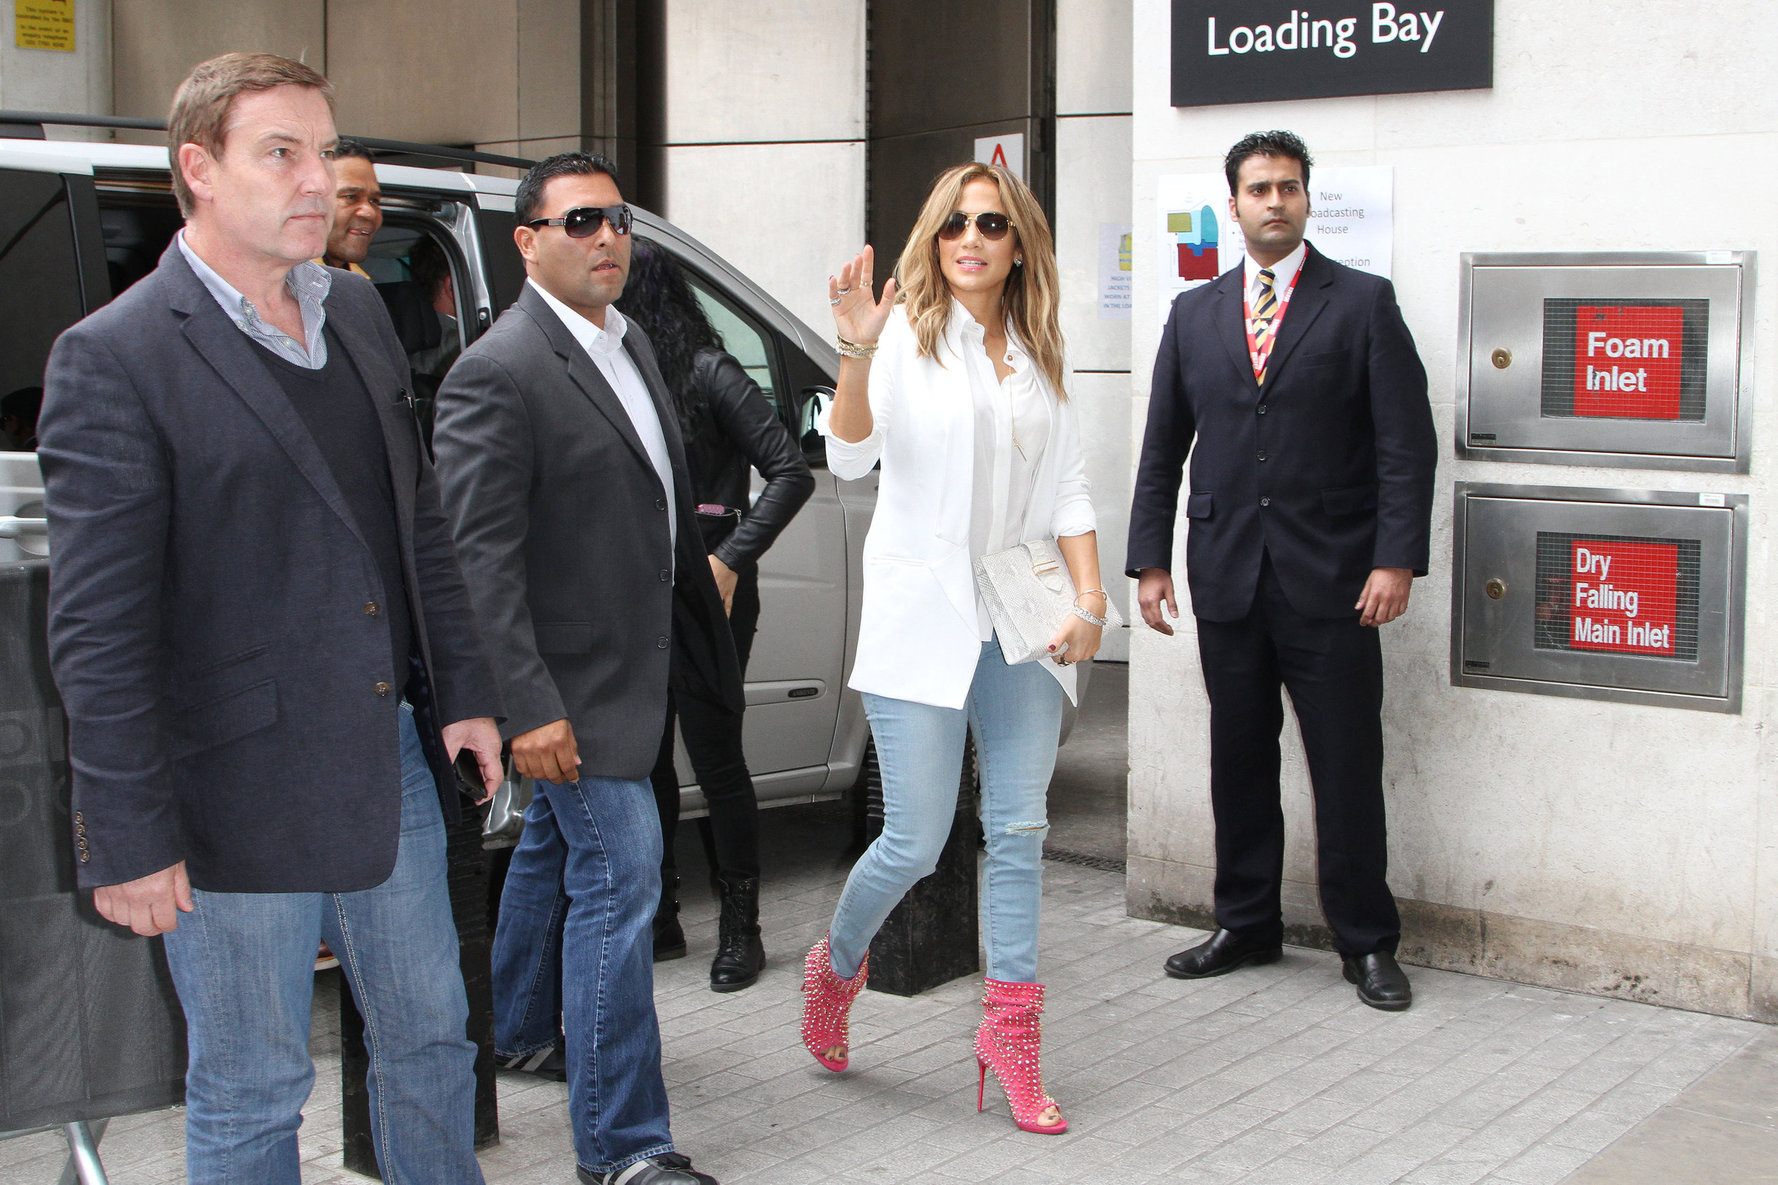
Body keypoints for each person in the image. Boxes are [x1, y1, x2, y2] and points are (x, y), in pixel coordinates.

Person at [36, 52, 504, 1184]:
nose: (318, 181)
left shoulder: (354, 311)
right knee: (253, 1090)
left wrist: (469, 696)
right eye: (279, 154)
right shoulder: (115, 359)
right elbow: (98, 635)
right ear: (198, 170)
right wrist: (131, 839)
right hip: (230, 793)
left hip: (388, 760)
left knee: (434, 1039)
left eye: (325, 150)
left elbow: (413, 525)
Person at [432, 152, 738, 1185]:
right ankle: (622, 1150)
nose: (606, 237)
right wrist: (526, 710)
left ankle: (520, 1025)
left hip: (638, 667)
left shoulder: (631, 339)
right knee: (623, 879)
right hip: (569, 694)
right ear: (525, 241)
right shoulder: (498, 369)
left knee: (566, 861)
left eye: (616, 219)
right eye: (578, 222)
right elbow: (479, 563)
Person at [803, 161, 1107, 1136]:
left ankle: (1010, 1040)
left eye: (990, 222)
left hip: (1023, 619)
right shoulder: (899, 340)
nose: (969, 238)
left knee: (1016, 832)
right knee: (916, 838)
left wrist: (1092, 599)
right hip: (920, 617)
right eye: (951, 225)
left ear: (1017, 242)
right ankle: (834, 965)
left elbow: (1068, 491)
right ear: (934, 241)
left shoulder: (1041, 350)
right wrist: (853, 353)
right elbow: (847, 456)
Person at [1127, 130, 1437, 1011]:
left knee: (1344, 764)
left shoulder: (1363, 303)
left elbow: (1405, 449)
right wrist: (1151, 560)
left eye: (1289, 188)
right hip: (1227, 575)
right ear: (1234, 204)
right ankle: (1247, 921)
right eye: (1259, 188)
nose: (1274, 201)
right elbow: (1161, 451)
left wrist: (1395, 560)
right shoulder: (1193, 314)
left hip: (1336, 579)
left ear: (1307, 199)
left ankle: (1368, 943)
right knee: (1237, 758)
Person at [615, 238, 814, 990]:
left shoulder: (707, 370)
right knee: (645, 758)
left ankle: (742, 928)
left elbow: (790, 469)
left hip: (708, 590)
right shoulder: (616, 370)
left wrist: (730, 558)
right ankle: (660, 918)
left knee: (717, 756)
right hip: (635, 588)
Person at [321, 138, 381, 274]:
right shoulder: (282, 285)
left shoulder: (358, 285)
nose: (369, 212)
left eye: (374, 201)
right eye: (350, 197)